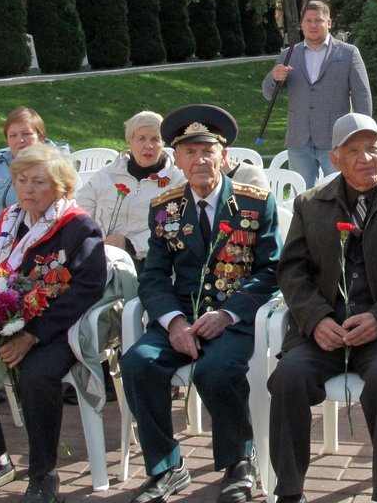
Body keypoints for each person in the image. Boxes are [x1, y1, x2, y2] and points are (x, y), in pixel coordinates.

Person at [268, 113, 377, 503]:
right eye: (354, 150)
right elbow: (293, 270)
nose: (366, 158)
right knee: (287, 379)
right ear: (335, 159)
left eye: (373, 148)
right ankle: (289, 492)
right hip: (324, 331)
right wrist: (315, 320)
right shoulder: (312, 205)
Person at [120, 104, 279, 503]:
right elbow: (154, 274)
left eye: (208, 151)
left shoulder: (255, 203)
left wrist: (227, 314)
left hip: (236, 319)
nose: (200, 160)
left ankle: (239, 460)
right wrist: (173, 323)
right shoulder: (164, 208)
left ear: (224, 157)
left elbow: (273, 271)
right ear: (176, 160)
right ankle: (167, 467)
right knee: (138, 362)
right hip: (180, 319)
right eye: (189, 152)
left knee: (216, 369)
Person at [0, 143, 107, 503]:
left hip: (58, 326)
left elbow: (87, 290)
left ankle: (43, 475)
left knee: (37, 376)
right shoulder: (10, 220)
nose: (28, 189)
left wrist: (33, 335)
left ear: (61, 186)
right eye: (21, 180)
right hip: (10, 321)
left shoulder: (79, 226)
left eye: (38, 181)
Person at [262, 1, 372, 188]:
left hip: (336, 139)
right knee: (303, 195)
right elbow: (267, 93)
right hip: (299, 139)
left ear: (329, 23)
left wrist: (364, 135)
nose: (313, 25)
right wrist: (274, 76)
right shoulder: (288, 54)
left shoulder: (348, 53)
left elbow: (362, 96)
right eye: (308, 21)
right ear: (302, 25)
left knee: (341, 191)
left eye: (318, 20)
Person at [79, 111, 175, 271]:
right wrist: (93, 242)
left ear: (163, 143)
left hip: (148, 262)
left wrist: (130, 244)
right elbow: (81, 214)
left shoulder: (176, 182)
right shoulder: (106, 175)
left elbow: (171, 228)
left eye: (155, 139)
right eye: (141, 138)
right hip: (100, 257)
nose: (148, 146)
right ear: (129, 142)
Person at [0, 107, 66, 241]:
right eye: (13, 135)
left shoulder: (54, 168)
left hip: (24, 247)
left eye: (26, 134)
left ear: (41, 136)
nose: (20, 140)